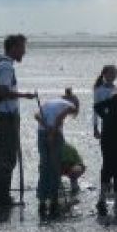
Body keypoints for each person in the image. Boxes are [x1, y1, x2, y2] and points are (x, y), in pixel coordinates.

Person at [0, 34, 36, 206]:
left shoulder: (0, 63)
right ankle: (3, 198)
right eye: (23, 48)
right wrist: (25, 95)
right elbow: (3, 91)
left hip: (1, 115)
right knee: (7, 157)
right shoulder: (6, 67)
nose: (24, 52)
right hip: (7, 116)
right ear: (14, 47)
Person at [34, 88, 79, 216]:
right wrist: (53, 133)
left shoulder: (49, 102)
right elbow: (59, 118)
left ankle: (42, 202)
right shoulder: (71, 105)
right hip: (54, 134)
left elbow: (36, 116)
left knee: (44, 166)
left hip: (41, 133)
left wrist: (46, 127)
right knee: (55, 167)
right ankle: (53, 201)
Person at [92, 65, 117, 139]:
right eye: (111, 73)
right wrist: (95, 127)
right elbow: (95, 110)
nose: (113, 75)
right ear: (104, 74)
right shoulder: (99, 90)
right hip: (105, 123)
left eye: (115, 73)